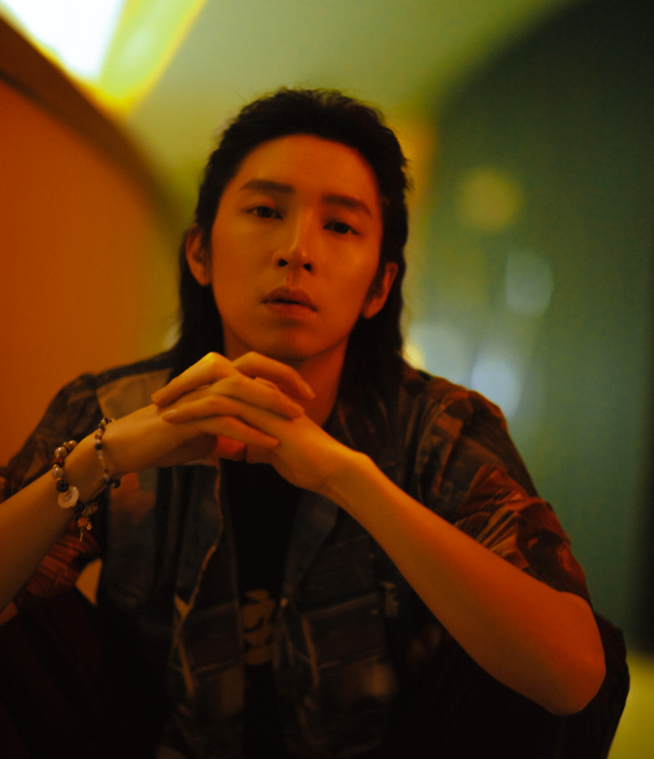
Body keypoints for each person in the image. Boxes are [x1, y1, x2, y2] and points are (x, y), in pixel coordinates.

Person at [0, 88, 624, 759]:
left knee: (572, 632)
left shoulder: (438, 426)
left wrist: (346, 476)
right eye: (266, 211)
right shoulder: (113, 408)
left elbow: (574, 675)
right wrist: (105, 454)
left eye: (341, 226)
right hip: (160, 741)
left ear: (378, 287)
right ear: (200, 253)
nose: (297, 250)